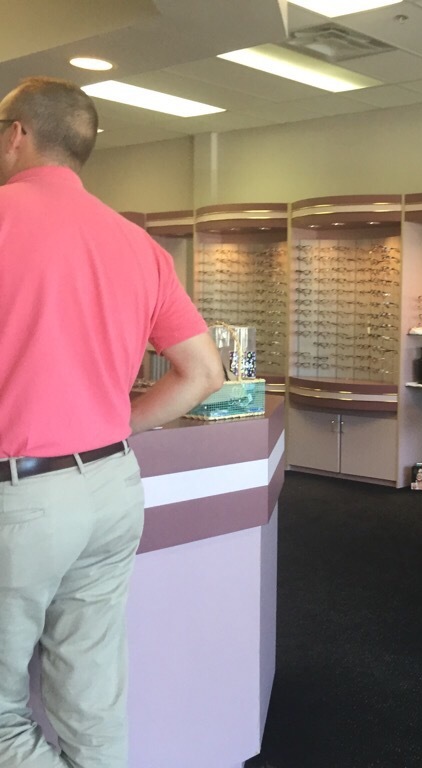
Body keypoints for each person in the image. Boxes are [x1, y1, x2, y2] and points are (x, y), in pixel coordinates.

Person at [0, 77, 223, 768]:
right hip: (111, 490)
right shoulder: (137, 244)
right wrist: (117, 424)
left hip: (21, 500)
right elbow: (203, 373)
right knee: (92, 698)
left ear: (16, 134)